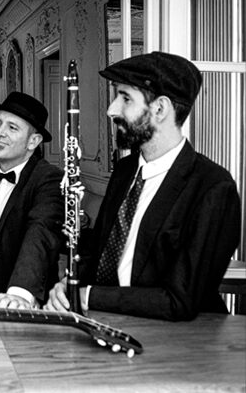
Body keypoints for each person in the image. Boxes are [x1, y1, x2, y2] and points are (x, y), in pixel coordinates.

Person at [44, 51, 241, 320]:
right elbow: (101, 250)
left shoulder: (213, 188)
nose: (111, 110)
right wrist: (69, 286)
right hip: (106, 321)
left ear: (160, 109)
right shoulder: (125, 170)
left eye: (125, 98)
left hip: (178, 338)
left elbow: (180, 300)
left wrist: (88, 295)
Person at [0, 93, 63, 309]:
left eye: (12, 127)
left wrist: (20, 293)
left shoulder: (49, 178)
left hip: (23, 305)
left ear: (33, 141)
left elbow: (40, 234)